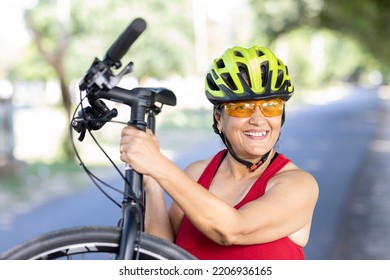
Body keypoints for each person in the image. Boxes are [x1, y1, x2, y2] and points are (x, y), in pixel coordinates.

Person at [119, 45, 319, 260]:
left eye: (271, 106)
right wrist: (152, 180)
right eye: (242, 107)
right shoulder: (197, 174)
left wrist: (159, 164)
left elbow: (233, 230)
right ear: (219, 118)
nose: (259, 119)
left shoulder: (299, 185)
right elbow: (164, 256)